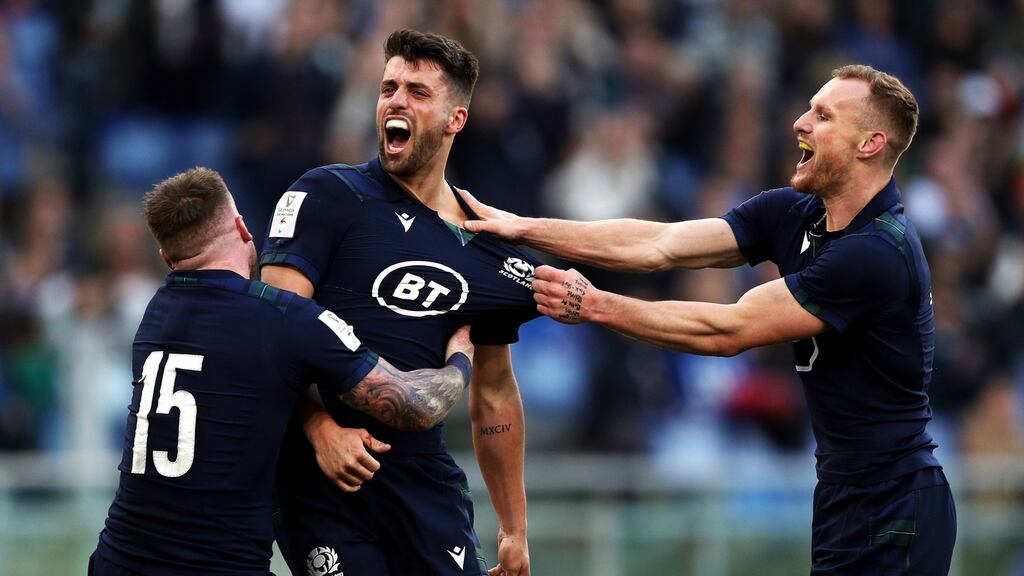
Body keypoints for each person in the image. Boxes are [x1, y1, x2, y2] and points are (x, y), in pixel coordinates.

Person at [463, 65, 956, 574]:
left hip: (896, 502)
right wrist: (523, 227)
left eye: (823, 115)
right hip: (841, 496)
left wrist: (594, 304)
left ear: (870, 144)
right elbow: (659, 244)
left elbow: (729, 330)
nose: (799, 123)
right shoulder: (796, 213)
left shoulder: (876, 252)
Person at [89, 167, 477, 576]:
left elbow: (250, 384)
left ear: (168, 259)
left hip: (118, 559)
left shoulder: (154, 316)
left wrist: (317, 424)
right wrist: (460, 360)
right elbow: (416, 406)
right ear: (242, 227)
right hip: (217, 567)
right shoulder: (283, 318)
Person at [260, 30, 537, 576]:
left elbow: (496, 392)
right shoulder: (326, 195)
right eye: (388, 87)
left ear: (456, 119)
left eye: (417, 91)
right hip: (324, 473)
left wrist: (514, 529)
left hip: (421, 480)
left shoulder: (489, 247)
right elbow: (269, 329)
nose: (395, 101)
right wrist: (319, 430)